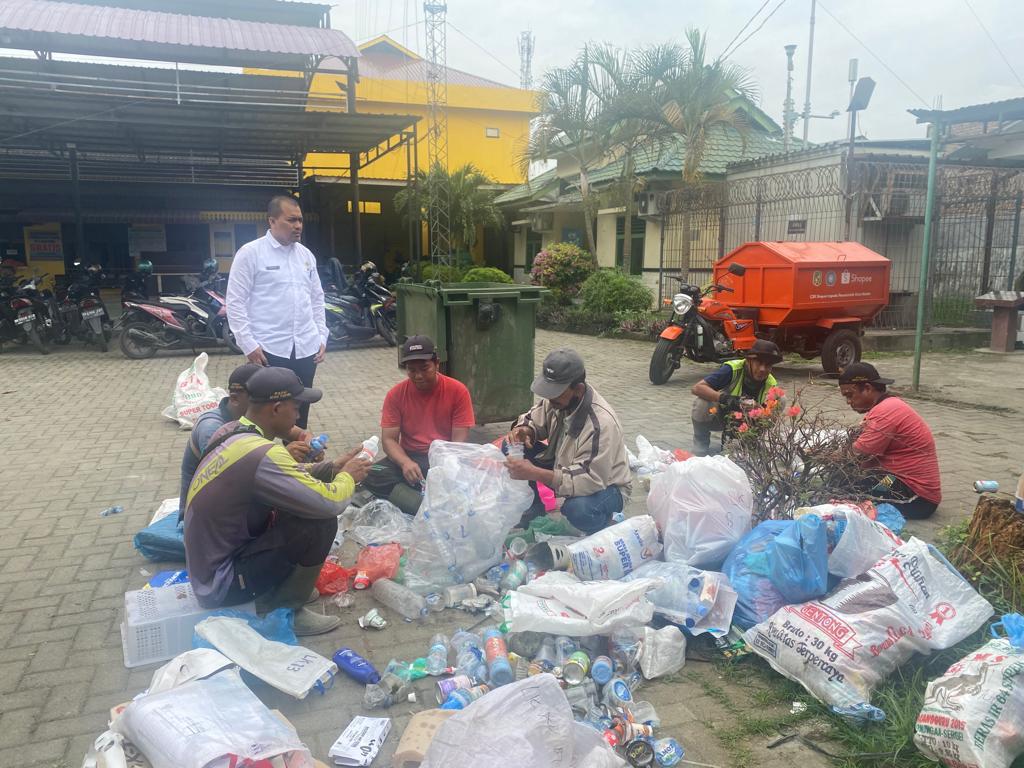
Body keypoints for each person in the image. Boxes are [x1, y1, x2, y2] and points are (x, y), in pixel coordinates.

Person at [184, 367, 371, 635]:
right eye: (296, 407)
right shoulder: (263, 452)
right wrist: (348, 478)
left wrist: (332, 468)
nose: (298, 415)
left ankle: (282, 588)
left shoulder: (233, 431)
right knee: (320, 522)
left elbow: (288, 481)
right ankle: (286, 610)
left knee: (298, 505)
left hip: (208, 570)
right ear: (276, 408)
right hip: (221, 585)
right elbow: (330, 502)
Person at [226, 195, 328, 430]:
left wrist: (322, 336)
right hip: (268, 350)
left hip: (306, 348)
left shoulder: (306, 256)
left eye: (300, 220)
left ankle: (297, 461)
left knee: (299, 411)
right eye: (291, 220)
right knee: (266, 414)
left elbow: (316, 299)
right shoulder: (251, 253)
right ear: (272, 221)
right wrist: (248, 344)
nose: (298, 226)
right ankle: (264, 461)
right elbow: (235, 301)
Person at [505, 348, 632, 535]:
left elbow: (590, 479)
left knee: (577, 509)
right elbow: (533, 418)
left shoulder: (600, 424)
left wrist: (534, 473)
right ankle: (533, 508)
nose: (549, 397)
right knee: (512, 447)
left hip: (606, 486)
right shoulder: (558, 400)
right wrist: (524, 430)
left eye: (555, 392)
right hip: (564, 465)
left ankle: (606, 525)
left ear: (578, 389)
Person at [177, 362, 322, 520]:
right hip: (205, 517)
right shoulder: (214, 429)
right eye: (258, 396)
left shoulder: (252, 420)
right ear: (234, 398)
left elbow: (297, 433)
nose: (266, 402)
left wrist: (310, 444)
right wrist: (283, 458)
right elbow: (232, 476)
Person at [362, 335, 475, 515]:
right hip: (409, 457)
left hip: (442, 458)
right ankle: (423, 505)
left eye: (424, 368)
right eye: (411, 370)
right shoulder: (396, 394)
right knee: (369, 472)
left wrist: (442, 469)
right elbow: (389, 440)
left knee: (466, 480)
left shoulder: (458, 391)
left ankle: (412, 500)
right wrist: (405, 462)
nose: (418, 376)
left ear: (437, 364)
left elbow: (458, 442)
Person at [838, 362, 941, 520]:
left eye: (849, 395)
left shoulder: (885, 412)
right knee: (849, 481)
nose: (848, 402)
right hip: (902, 483)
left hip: (918, 498)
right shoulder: (888, 406)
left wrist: (829, 457)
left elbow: (857, 455)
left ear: (867, 388)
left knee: (849, 486)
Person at [690, 339, 783, 455]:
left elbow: (767, 415)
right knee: (701, 403)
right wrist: (729, 399)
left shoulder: (771, 383)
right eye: (758, 363)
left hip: (746, 424)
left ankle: (751, 441)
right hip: (719, 418)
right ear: (749, 360)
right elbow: (697, 388)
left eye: (768, 365)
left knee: (780, 399)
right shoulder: (732, 369)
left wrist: (760, 410)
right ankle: (701, 443)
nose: (762, 369)